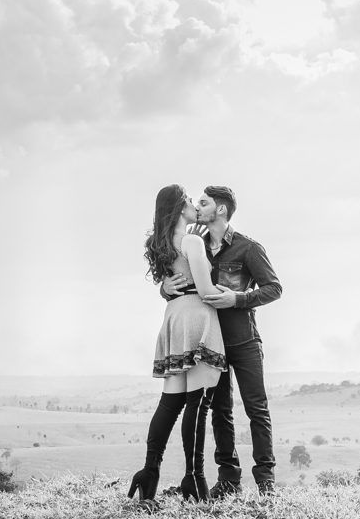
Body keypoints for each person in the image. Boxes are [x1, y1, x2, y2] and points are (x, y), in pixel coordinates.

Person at [160, 185, 282, 497]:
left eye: (203, 203)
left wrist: (238, 299)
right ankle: (229, 481)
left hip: (243, 341)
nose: (197, 208)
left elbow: (274, 288)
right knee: (220, 411)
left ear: (221, 209)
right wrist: (165, 288)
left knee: (257, 409)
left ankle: (266, 483)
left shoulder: (248, 248)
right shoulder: (193, 244)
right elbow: (180, 281)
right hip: (210, 342)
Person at [128, 184, 227, 506]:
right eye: (189, 200)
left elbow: (174, 284)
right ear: (179, 207)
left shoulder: (163, 242)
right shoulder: (191, 241)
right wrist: (235, 293)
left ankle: (149, 472)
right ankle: (194, 478)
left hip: (173, 318)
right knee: (199, 404)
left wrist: (165, 289)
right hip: (198, 317)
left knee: (170, 404)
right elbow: (205, 287)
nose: (195, 205)